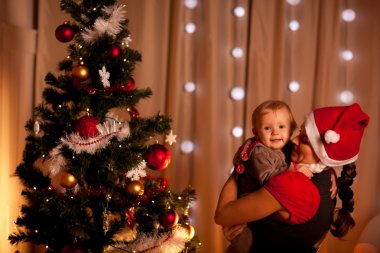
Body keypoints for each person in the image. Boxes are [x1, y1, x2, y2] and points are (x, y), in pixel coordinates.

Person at [215, 103, 370, 252]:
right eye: (300, 133)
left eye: (304, 139)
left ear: (321, 154)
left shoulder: (293, 184)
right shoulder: (323, 177)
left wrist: (242, 168)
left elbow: (222, 215)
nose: (293, 140)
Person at [227, 100, 319, 253]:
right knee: (244, 239)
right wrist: (295, 170)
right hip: (249, 197)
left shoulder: (287, 146)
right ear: (256, 132)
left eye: (281, 127)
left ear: (291, 130)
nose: (275, 132)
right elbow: (269, 179)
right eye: (267, 128)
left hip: (267, 198)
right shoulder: (259, 152)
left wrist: (332, 173)